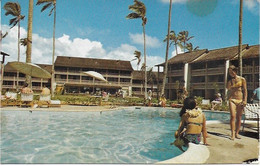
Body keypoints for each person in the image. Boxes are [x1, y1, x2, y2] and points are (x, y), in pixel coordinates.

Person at [227, 65, 247, 140]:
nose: (230, 73)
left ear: (235, 71)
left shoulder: (242, 79)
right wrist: (230, 84)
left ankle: (237, 133)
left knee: (239, 117)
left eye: (231, 71)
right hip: (232, 99)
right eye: (229, 72)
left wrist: (245, 100)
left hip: (240, 99)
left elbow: (245, 90)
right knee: (232, 116)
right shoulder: (229, 81)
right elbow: (228, 89)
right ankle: (232, 134)